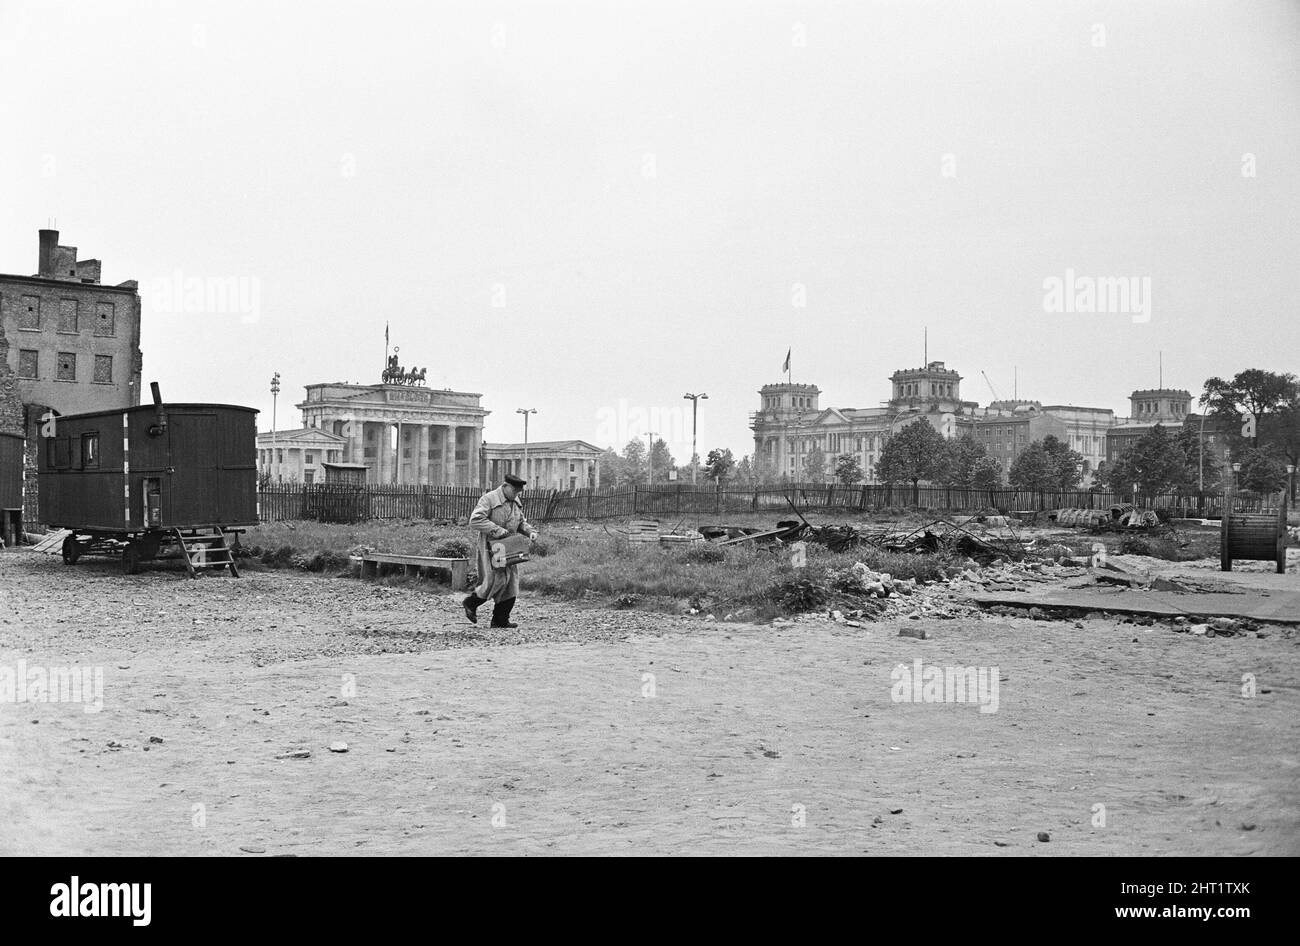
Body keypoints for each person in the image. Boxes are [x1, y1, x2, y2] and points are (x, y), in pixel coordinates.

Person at [462, 473, 538, 628]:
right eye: (515, 491)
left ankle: (500, 620)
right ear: (505, 486)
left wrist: (530, 531)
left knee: (511, 584)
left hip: (509, 546)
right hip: (491, 546)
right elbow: (475, 520)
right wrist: (497, 530)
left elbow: (521, 522)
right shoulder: (489, 499)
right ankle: (470, 603)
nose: (517, 495)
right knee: (494, 580)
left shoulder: (515, 501)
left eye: (519, 492)